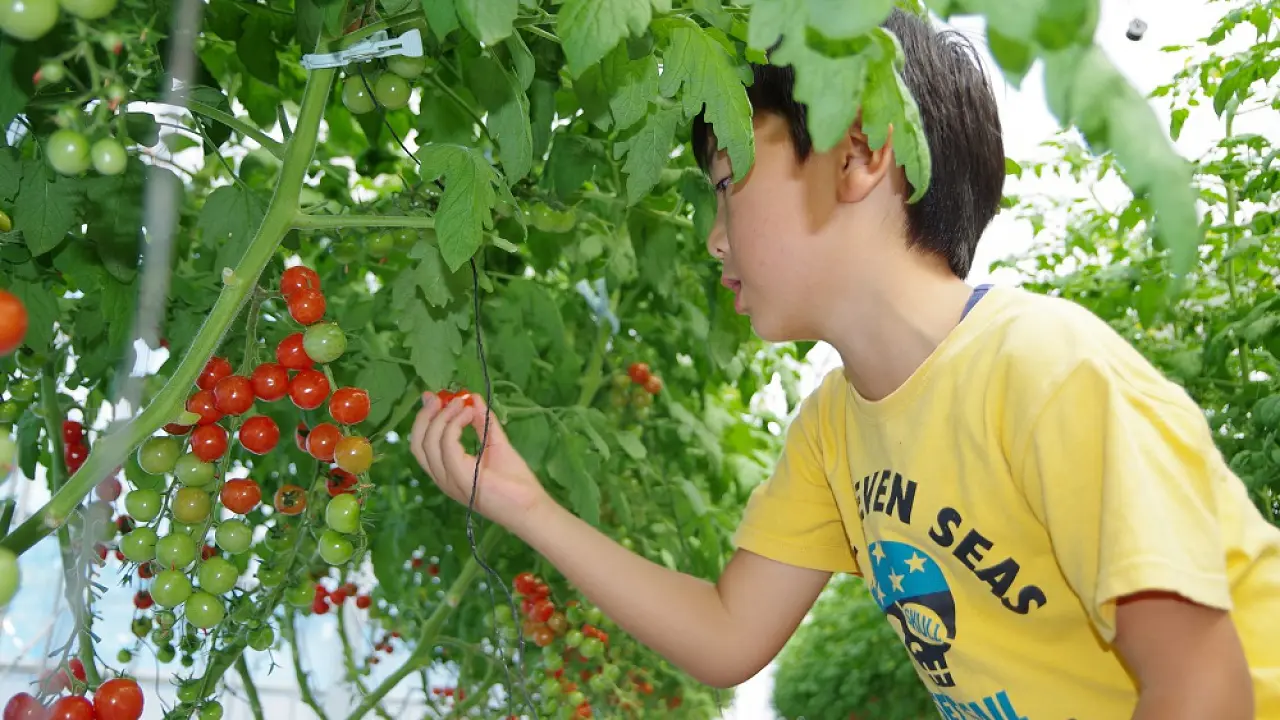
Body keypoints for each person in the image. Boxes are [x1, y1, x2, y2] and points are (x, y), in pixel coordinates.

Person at [409, 7, 1280, 719]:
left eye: (726, 181)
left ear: (858, 153)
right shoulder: (834, 429)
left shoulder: (1046, 373)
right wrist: (526, 506)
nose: (714, 239)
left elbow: (1203, 689)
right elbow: (727, 634)